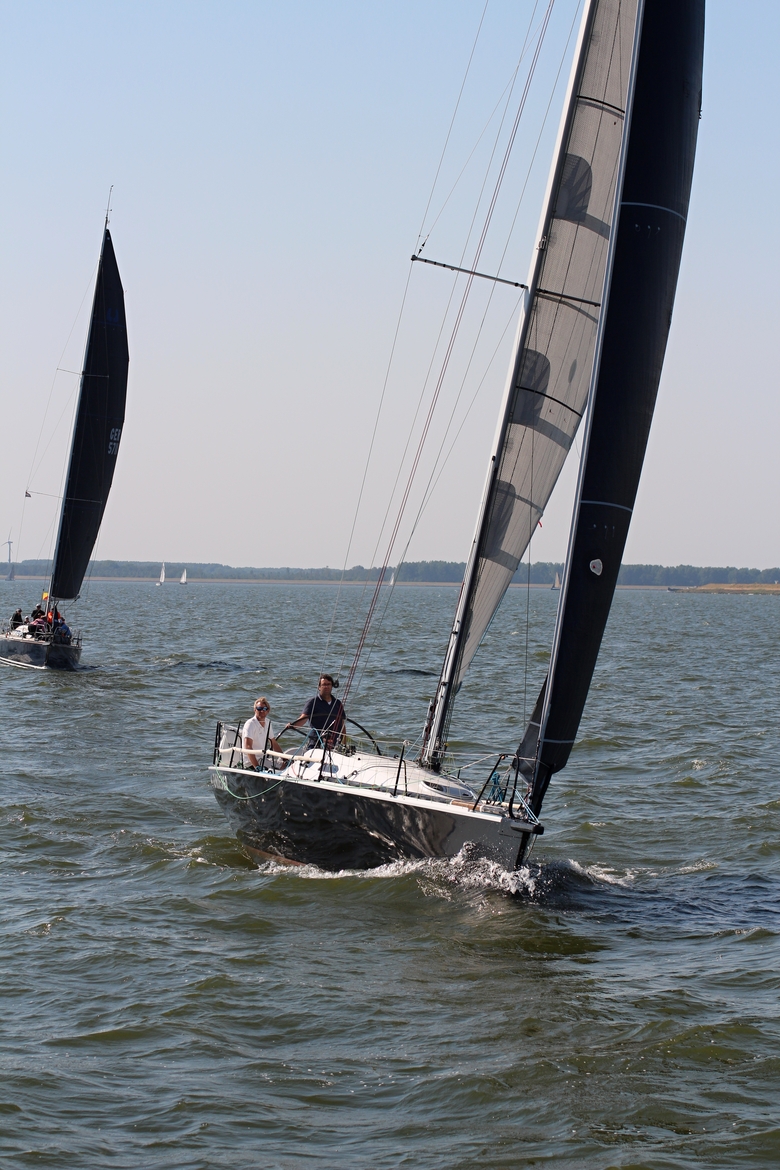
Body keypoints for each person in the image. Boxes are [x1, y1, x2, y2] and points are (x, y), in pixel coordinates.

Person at [283, 674, 346, 750]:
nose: (326, 686)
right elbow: (303, 719)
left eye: (328, 684)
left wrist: (344, 745)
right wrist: (292, 725)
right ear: (319, 687)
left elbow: (342, 724)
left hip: (334, 744)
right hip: (316, 743)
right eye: (324, 684)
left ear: (332, 686)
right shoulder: (312, 702)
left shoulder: (337, 703)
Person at [242, 697, 281, 769]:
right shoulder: (250, 724)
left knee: (285, 765)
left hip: (262, 759)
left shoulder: (268, 722)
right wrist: (257, 766)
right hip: (251, 762)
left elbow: (273, 743)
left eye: (264, 708)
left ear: (268, 710)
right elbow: (248, 746)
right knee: (280, 768)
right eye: (259, 708)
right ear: (255, 710)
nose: (262, 711)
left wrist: (285, 759)